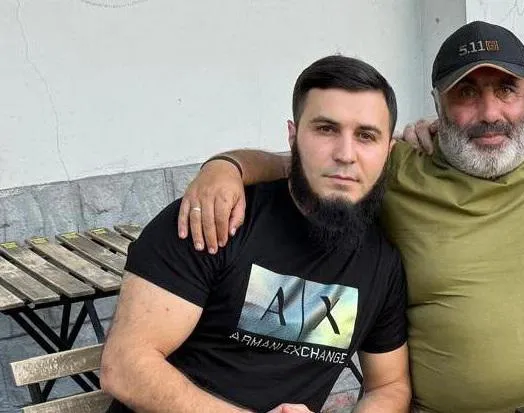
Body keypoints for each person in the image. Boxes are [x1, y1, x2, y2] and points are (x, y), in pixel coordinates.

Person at [177, 21, 524, 413]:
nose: (490, 112)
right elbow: (315, 165)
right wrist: (228, 167)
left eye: (506, 89)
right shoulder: (399, 167)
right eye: (465, 93)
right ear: (436, 103)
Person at [100, 55, 411, 413]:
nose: (345, 154)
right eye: (326, 129)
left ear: (388, 152)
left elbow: (388, 386)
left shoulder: (381, 262)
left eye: (366, 136)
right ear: (293, 137)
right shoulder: (215, 217)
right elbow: (124, 367)